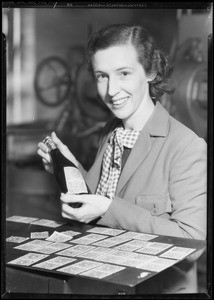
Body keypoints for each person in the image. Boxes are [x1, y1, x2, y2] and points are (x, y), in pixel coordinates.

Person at [37, 24, 207, 293]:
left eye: (124, 73)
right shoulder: (112, 132)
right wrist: (68, 166)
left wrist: (107, 209)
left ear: (150, 71)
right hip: (106, 282)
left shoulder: (187, 147)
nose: (111, 90)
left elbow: (192, 243)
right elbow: (98, 197)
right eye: (102, 76)